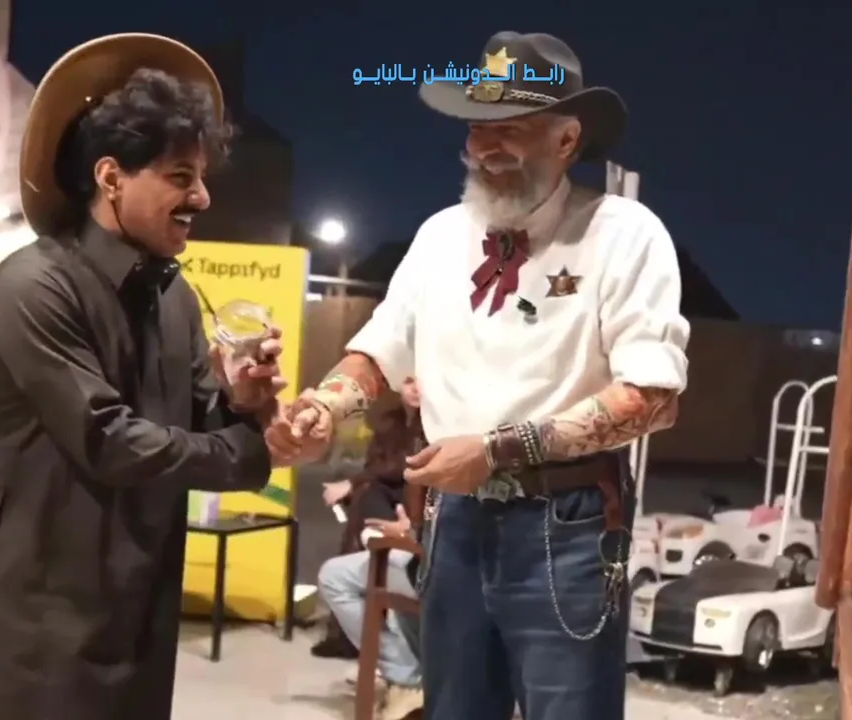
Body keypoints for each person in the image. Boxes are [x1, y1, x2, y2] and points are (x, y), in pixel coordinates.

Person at [268, 32, 689, 720]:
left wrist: (495, 451)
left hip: (567, 522)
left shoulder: (622, 234)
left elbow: (652, 399)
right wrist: (321, 408)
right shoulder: (441, 236)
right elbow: (377, 354)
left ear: (567, 139)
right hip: (454, 517)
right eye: (475, 129)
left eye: (509, 130)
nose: (484, 148)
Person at [0, 34, 309, 720]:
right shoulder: (33, 285)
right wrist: (254, 452)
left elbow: (195, 418)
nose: (202, 197)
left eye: (202, 176)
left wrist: (241, 401)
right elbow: (107, 438)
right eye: (180, 176)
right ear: (110, 178)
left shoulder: (173, 296)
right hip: (25, 615)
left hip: (134, 608)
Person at [312, 377, 424, 660]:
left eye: (421, 381)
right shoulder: (390, 423)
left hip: (417, 506)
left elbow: (405, 468)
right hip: (390, 500)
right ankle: (373, 541)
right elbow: (378, 466)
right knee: (367, 494)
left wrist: (351, 484)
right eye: (408, 381)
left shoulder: (435, 426)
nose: (415, 388)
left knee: (366, 492)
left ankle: (377, 545)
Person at [317, 503, 425, 720]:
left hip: (441, 567)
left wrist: (411, 533)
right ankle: (416, 671)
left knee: (333, 576)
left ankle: (407, 679)